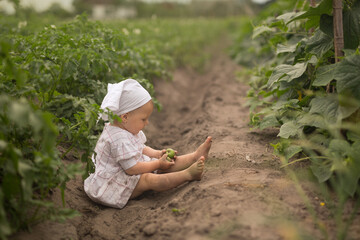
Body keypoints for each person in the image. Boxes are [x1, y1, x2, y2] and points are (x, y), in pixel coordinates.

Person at [84, 79, 212, 209]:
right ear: (125, 117)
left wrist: (157, 154)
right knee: (148, 179)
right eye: (143, 119)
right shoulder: (118, 138)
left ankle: (195, 156)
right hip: (112, 186)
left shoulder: (125, 128)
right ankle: (188, 175)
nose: (147, 123)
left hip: (125, 170)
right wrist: (157, 163)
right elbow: (132, 169)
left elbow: (141, 147)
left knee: (161, 164)